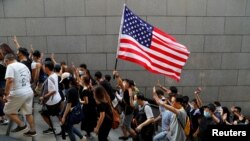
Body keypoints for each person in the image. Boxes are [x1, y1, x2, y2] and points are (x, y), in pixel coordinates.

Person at [3, 53, 36, 136]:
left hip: (18, 92)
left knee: (7, 111)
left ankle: (22, 125)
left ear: (7, 61)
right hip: (29, 91)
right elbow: (29, 77)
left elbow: (9, 80)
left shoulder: (10, 66)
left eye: (5, 63)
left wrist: (6, 94)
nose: (5, 64)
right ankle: (32, 131)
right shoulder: (23, 65)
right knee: (28, 113)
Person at [60, 76, 86, 141]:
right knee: (70, 127)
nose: (63, 84)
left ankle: (81, 137)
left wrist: (64, 116)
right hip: (73, 110)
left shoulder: (70, 90)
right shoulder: (75, 88)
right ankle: (82, 137)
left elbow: (69, 104)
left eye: (63, 83)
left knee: (69, 130)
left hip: (70, 112)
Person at [113, 71, 137, 140]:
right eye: (124, 82)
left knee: (127, 126)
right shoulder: (128, 90)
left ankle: (136, 137)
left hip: (129, 111)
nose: (124, 83)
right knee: (124, 125)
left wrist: (117, 76)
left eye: (126, 82)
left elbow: (120, 83)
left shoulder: (128, 91)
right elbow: (121, 84)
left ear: (129, 85)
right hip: (127, 110)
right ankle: (126, 136)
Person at [40, 61, 62, 134]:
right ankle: (65, 129)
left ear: (46, 68)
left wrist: (43, 97)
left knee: (44, 114)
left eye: (43, 67)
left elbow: (53, 91)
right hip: (57, 99)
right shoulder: (55, 74)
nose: (43, 68)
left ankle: (51, 128)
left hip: (52, 101)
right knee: (58, 114)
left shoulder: (50, 78)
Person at [0, 43, 14, 125]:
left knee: (4, 100)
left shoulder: (7, 63)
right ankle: (3, 117)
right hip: (3, 83)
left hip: (3, 83)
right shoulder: (6, 63)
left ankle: (4, 116)